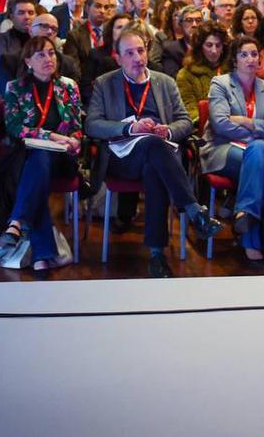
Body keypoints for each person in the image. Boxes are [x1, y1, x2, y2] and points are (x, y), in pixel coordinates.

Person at [85, 29, 222, 277]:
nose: (138, 57)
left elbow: (184, 121)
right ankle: (193, 210)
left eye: (141, 50)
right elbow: (92, 124)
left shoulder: (165, 82)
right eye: (130, 53)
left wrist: (167, 131)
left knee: (154, 164)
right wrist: (129, 127)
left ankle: (157, 255)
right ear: (118, 58)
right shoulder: (105, 83)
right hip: (122, 156)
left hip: (159, 154)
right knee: (151, 146)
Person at [0, 36, 82, 276]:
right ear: (28, 61)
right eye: (41, 55)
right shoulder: (15, 88)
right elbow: (15, 127)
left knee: (41, 162)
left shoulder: (69, 86)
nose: (49, 59)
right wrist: (51, 137)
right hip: (26, 156)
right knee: (39, 159)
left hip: (63, 158)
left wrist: (73, 140)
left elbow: (77, 125)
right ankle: (41, 255)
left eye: (51, 53)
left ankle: (16, 224)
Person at [202, 36, 264, 266]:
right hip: (224, 149)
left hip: (256, 151)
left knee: (257, 151)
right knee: (261, 164)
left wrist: (246, 122)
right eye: (244, 54)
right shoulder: (220, 83)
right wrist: (260, 128)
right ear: (235, 59)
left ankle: (243, 218)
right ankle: (248, 235)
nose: (251, 59)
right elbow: (220, 124)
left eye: (254, 54)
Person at [176, 21, 229, 123]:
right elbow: (190, 111)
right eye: (209, 45)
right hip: (203, 129)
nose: (214, 51)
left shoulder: (232, 70)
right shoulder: (185, 74)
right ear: (200, 47)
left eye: (218, 45)